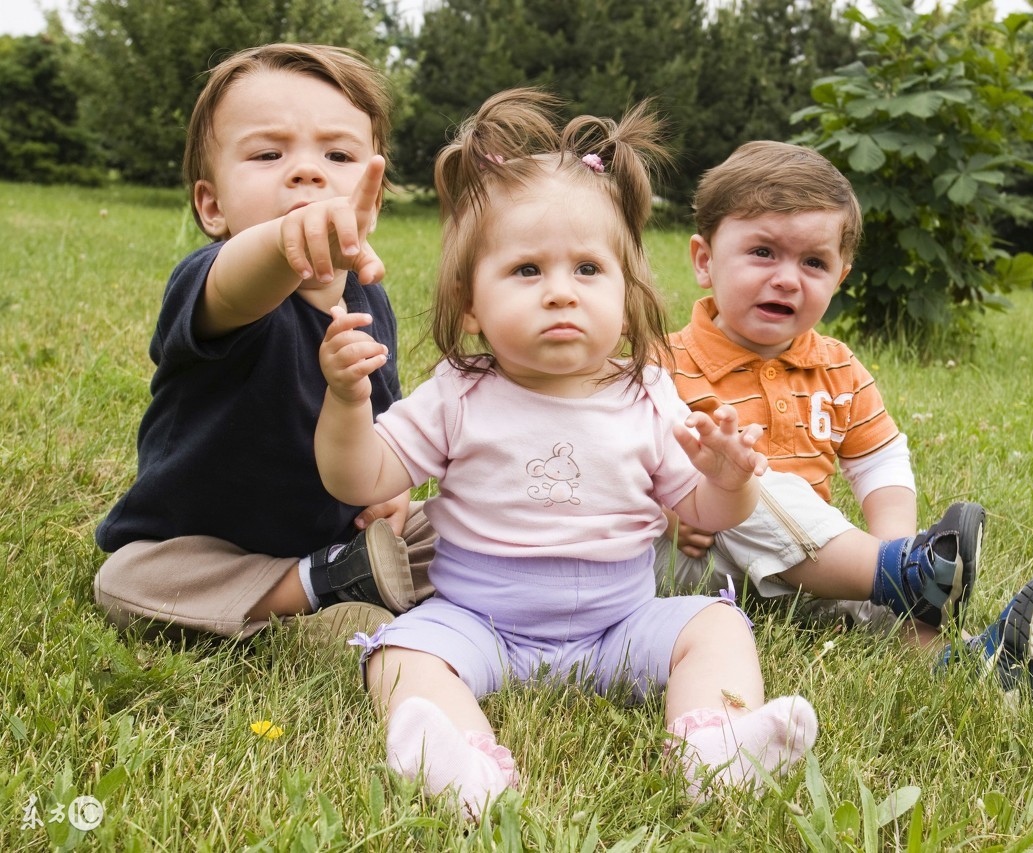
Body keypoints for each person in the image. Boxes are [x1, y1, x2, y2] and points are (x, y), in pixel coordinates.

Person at [314, 90, 824, 818]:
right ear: (469, 304)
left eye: (587, 269)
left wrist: (728, 482)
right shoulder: (458, 392)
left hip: (620, 627)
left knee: (716, 624)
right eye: (527, 271)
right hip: (478, 621)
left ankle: (715, 747)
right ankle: (456, 761)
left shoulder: (648, 394)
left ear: (627, 292)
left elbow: (699, 512)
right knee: (400, 651)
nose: (560, 293)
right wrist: (345, 400)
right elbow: (357, 475)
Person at [655, 140, 1033, 693]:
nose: (788, 278)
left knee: (885, 602)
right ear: (704, 260)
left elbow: (880, 464)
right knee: (748, 479)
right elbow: (613, 464)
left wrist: (890, 548)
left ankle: (966, 665)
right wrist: (670, 513)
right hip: (695, 566)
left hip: (812, 571)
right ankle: (902, 576)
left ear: (841, 276)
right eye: (763, 252)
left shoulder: (838, 369)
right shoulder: (659, 363)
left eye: (814, 262)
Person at [93, 44, 434, 641]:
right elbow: (243, 283)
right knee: (127, 580)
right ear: (212, 205)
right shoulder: (215, 282)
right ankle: (316, 592)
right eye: (268, 154)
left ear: (373, 198)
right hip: (203, 545)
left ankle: (356, 580)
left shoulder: (369, 299)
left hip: (335, 531)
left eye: (338, 154)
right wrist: (284, 243)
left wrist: (394, 490)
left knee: (467, 522)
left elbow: (384, 420)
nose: (306, 172)